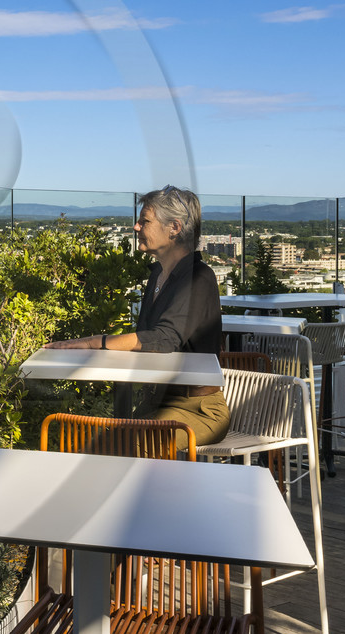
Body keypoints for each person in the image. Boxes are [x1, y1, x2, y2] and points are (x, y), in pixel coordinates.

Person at [46, 184, 228, 449]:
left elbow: (164, 339)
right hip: (156, 405)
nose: (136, 227)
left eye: (145, 221)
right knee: (89, 445)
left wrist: (94, 342)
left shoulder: (198, 277)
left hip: (196, 410)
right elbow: (147, 340)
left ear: (174, 227)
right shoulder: (157, 276)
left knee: (120, 445)